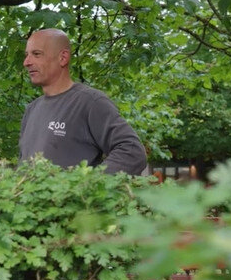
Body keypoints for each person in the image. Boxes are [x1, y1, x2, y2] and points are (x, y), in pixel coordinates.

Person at [19, 28, 147, 175]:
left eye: (36, 54)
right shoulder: (32, 109)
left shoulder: (90, 103)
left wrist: (86, 184)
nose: (26, 62)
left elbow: (132, 152)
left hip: (72, 197)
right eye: (27, 55)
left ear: (63, 58)